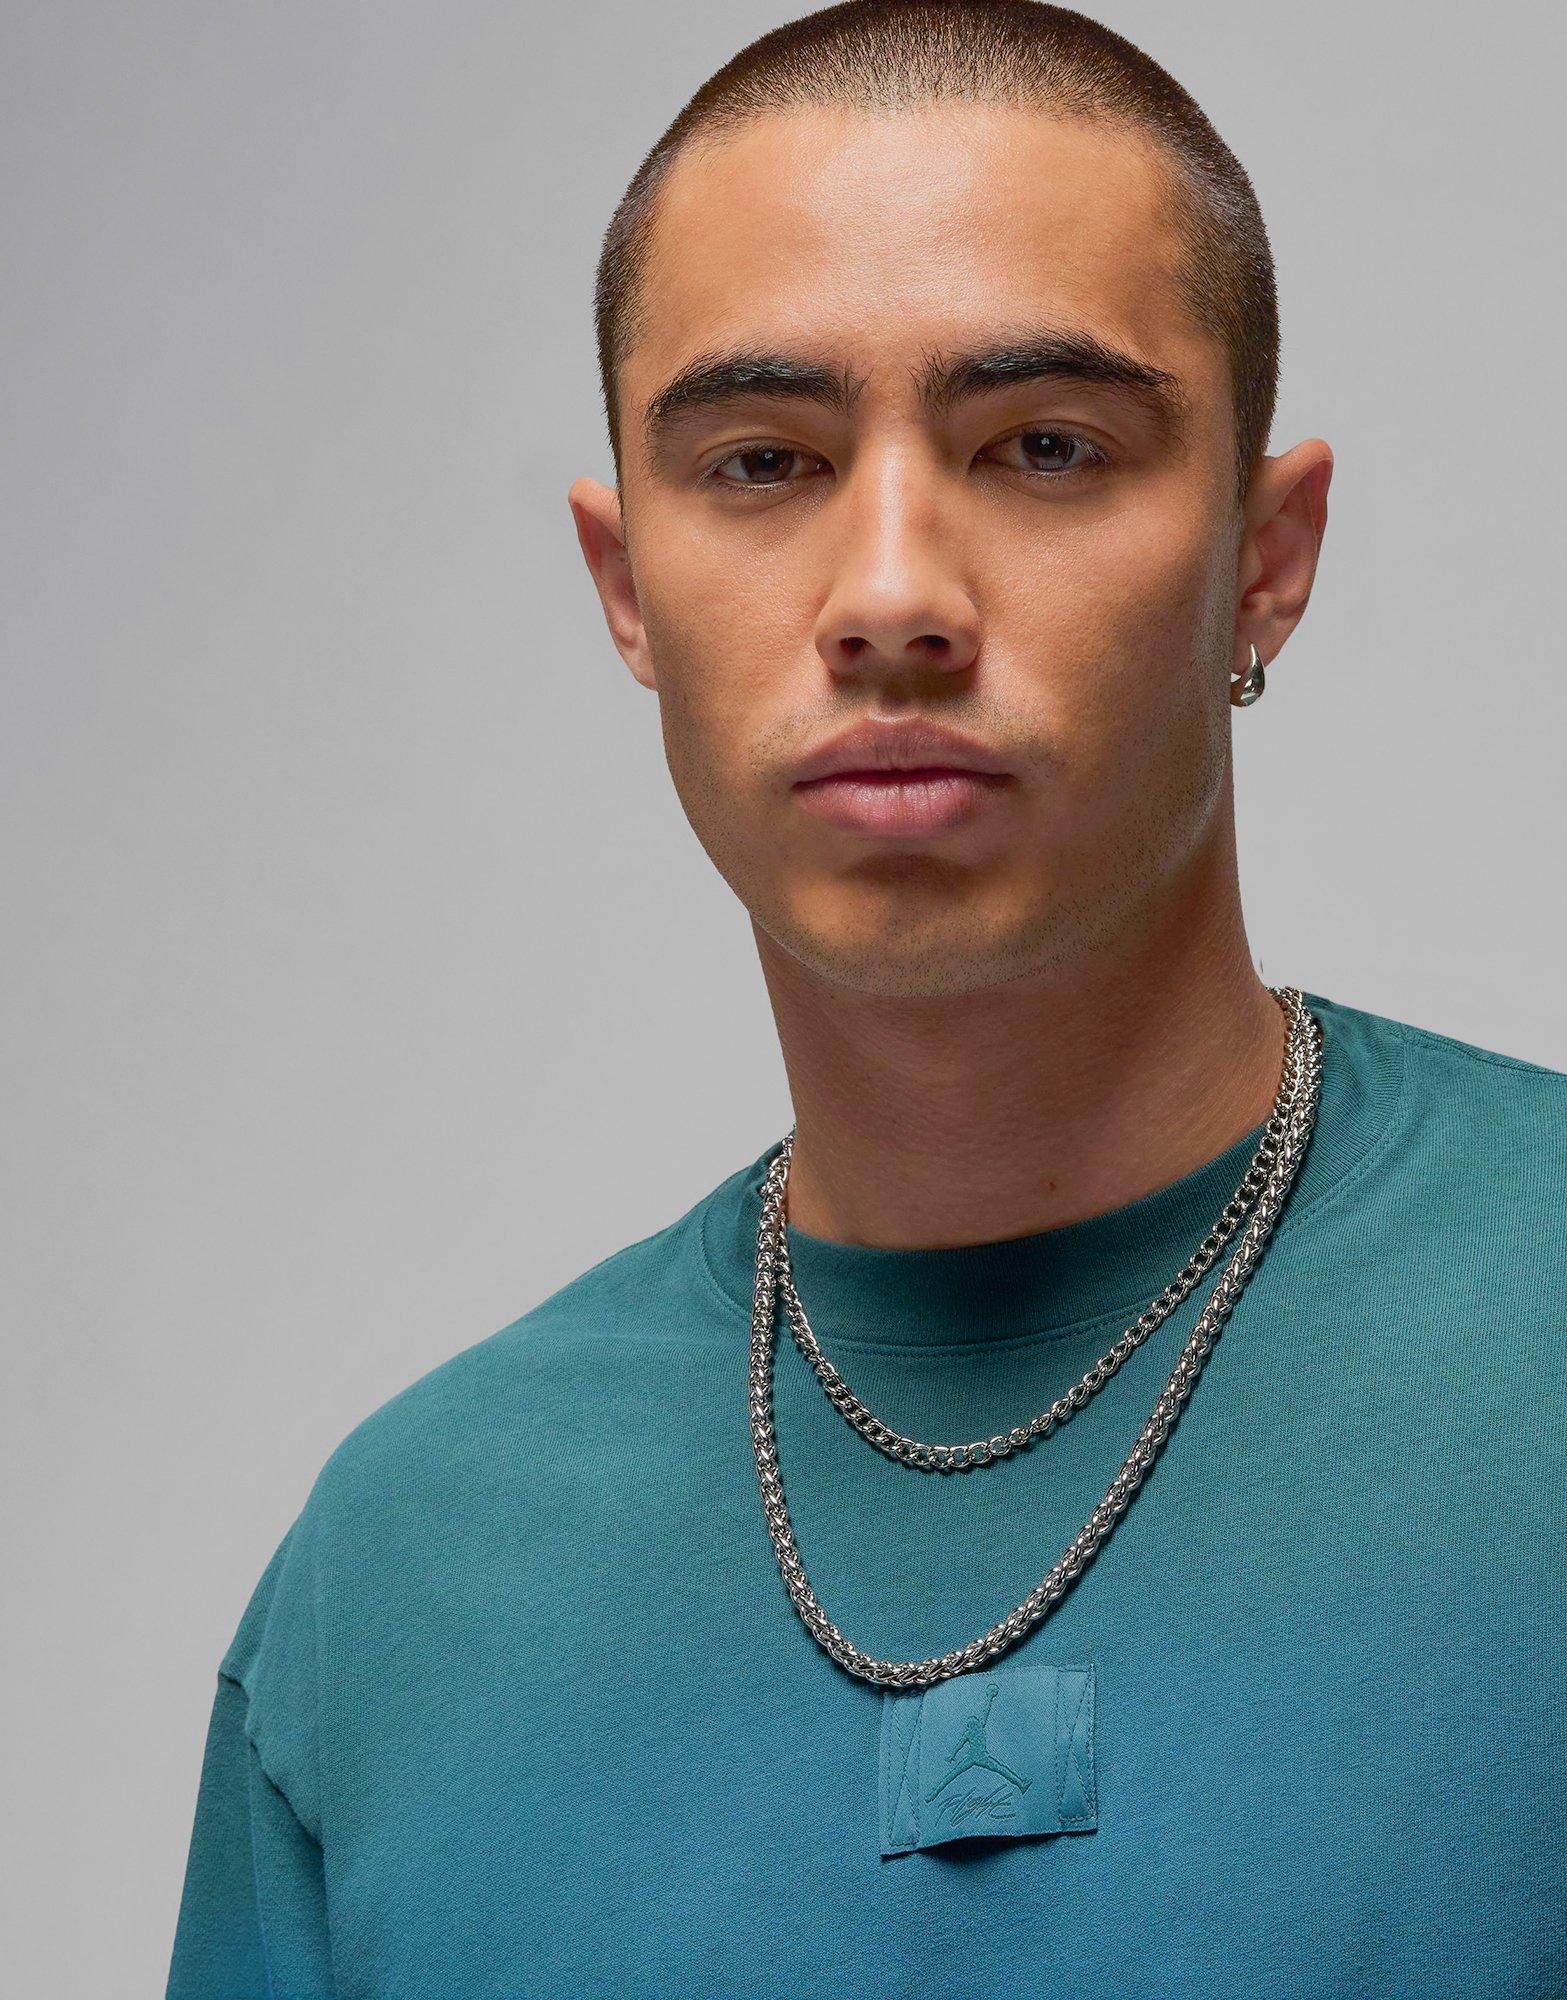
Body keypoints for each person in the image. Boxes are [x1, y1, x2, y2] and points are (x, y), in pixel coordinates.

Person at [165, 3, 1567, 1994]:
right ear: (628, 587)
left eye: (1044, 447)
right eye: (764, 461)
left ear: (1266, 557)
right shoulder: (395, 1581)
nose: (892, 591)